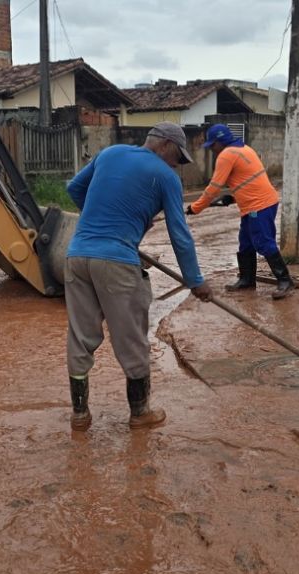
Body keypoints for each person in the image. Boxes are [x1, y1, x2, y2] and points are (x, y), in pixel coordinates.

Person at [65, 121, 213, 432]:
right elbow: (180, 234)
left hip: (77, 255)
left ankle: (80, 415)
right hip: (116, 263)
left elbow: (74, 189)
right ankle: (140, 412)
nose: (178, 164)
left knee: (80, 336)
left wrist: (106, 216)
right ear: (163, 145)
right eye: (177, 156)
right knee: (130, 337)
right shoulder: (166, 177)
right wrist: (195, 280)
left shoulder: (110, 153)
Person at [186, 124, 293, 300]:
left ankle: (285, 281)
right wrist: (233, 197)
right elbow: (250, 180)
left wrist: (195, 208)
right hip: (258, 203)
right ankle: (247, 280)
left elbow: (213, 188)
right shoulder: (244, 148)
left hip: (258, 206)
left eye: (213, 145)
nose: (212, 149)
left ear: (220, 142)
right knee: (246, 242)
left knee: (263, 242)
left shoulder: (226, 155)